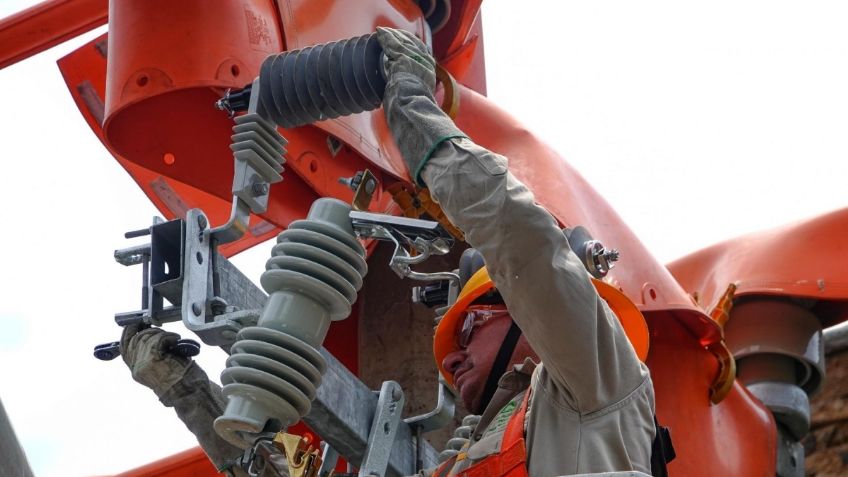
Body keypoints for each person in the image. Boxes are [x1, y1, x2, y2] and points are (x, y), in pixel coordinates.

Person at [121, 27, 663, 477]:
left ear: (526, 313)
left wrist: (414, 116)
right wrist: (188, 392)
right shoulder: (469, 455)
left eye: (470, 324)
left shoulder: (598, 387)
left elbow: (522, 239)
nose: (448, 362)